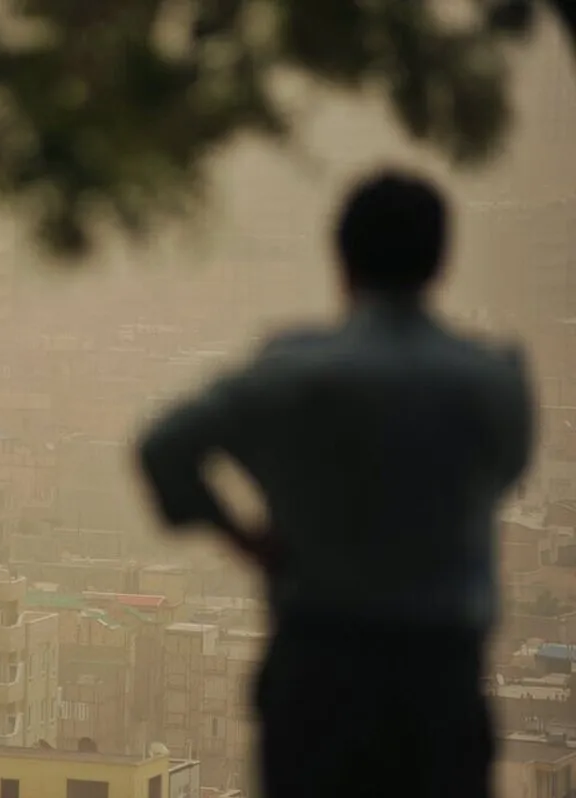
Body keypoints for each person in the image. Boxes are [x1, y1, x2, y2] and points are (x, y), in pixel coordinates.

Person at [136, 170, 534, 798]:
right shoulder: (492, 384)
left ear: (341, 260)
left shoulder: (293, 376)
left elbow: (164, 447)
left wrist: (244, 538)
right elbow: (505, 474)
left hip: (319, 678)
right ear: (441, 262)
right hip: (440, 684)